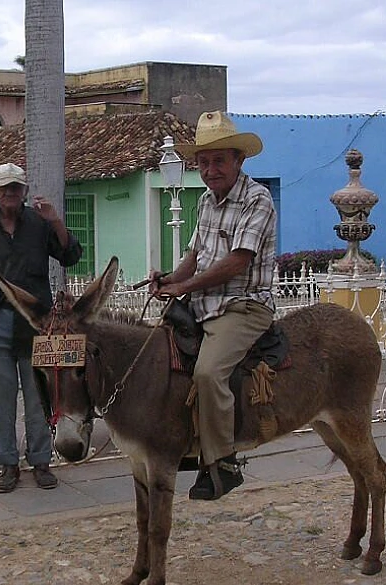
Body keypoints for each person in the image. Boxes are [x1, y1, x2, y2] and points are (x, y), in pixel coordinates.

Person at [151, 111, 277, 501]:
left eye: (218, 161)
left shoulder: (257, 199)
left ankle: (222, 462)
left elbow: (238, 261)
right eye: (203, 162)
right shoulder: (206, 200)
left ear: (239, 160)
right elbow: (196, 253)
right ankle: (188, 441)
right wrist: (170, 279)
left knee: (207, 372)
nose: (210, 170)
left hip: (243, 307)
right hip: (204, 304)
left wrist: (185, 286)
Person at [0, 162, 83, 493]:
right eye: (5, 187)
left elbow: (70, 255)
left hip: (37, 321)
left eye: (16, 187)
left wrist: (55, 220)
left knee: (40, 391)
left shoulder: (40, 226)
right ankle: (7, 463)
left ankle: (41, 460)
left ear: (24, 191)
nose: (11, 193)